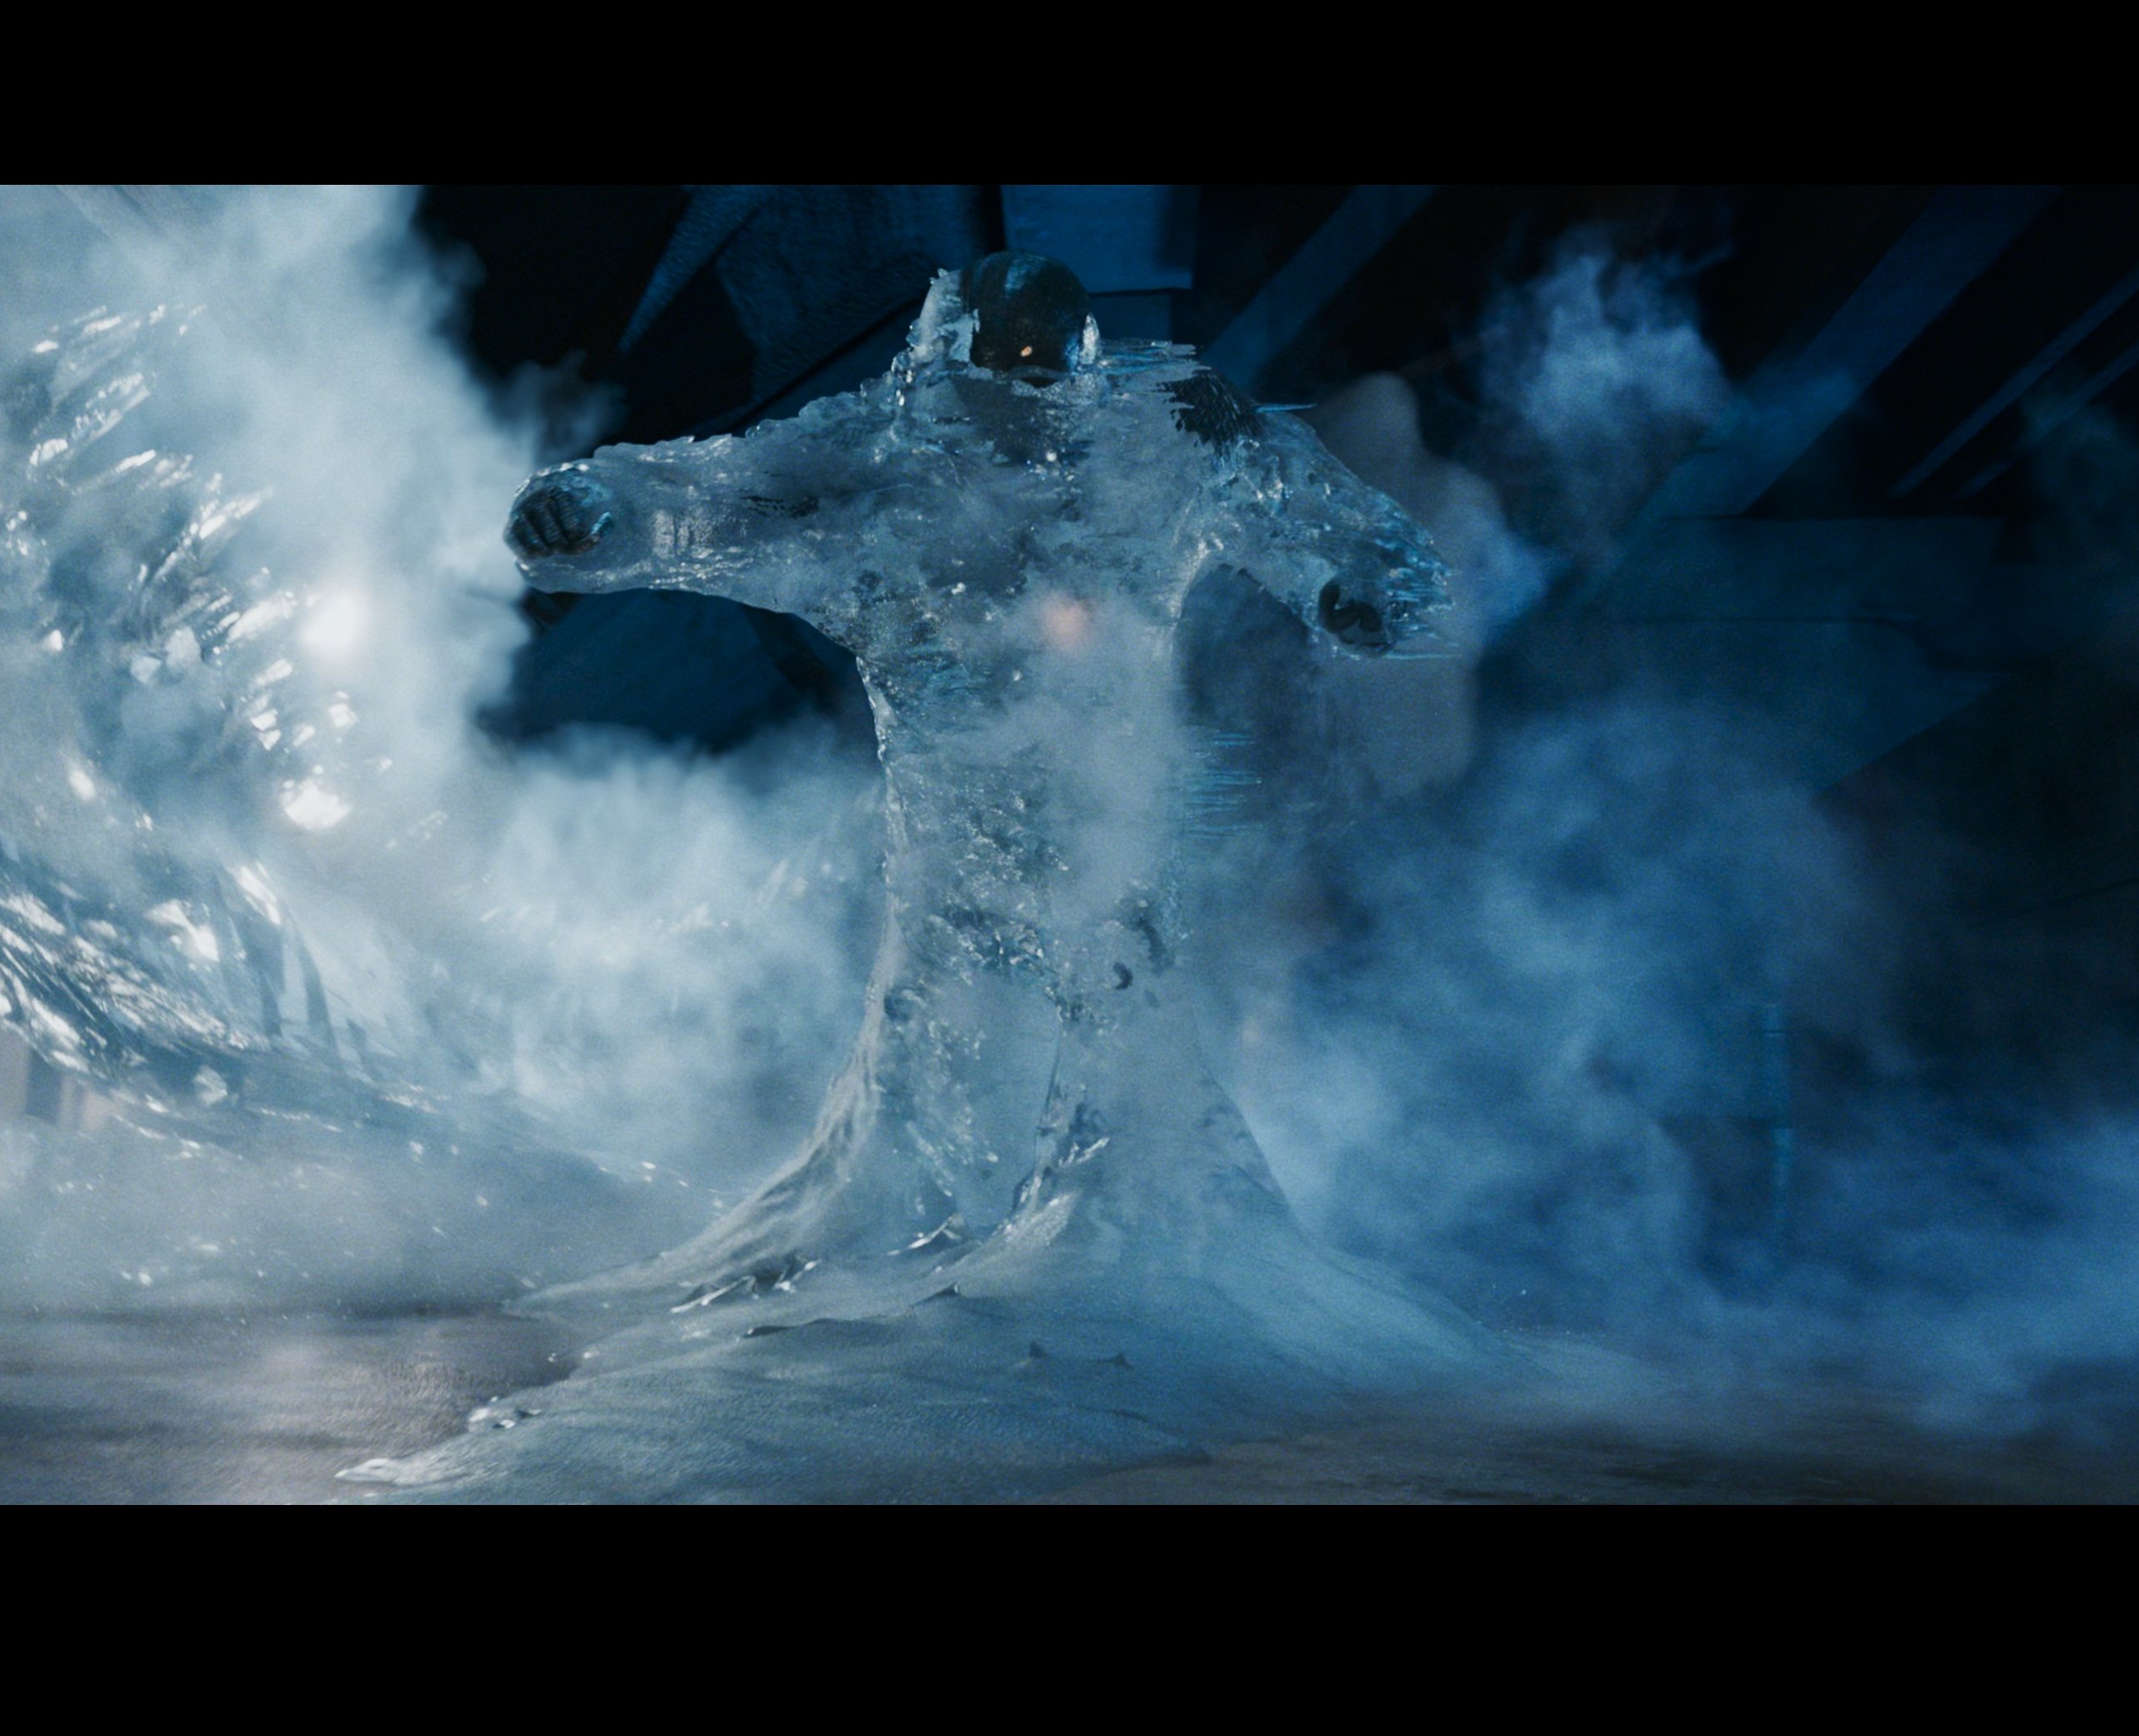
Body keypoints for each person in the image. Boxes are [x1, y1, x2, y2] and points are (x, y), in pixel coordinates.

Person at [508, 252, 1447, 1298]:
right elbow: (713, 492)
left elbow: (1309, 504)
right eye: (1004, 390)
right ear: (952, 372)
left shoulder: (1164, 430)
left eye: (1043, 389)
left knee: (1117, 1023)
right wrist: (592, 514)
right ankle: (925, 1234)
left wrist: (1359, 587)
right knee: (944, 1046)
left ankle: (1123, 1231)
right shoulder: (884, 458)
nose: (1025, 428)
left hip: (1112, 821)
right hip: (960, 832)